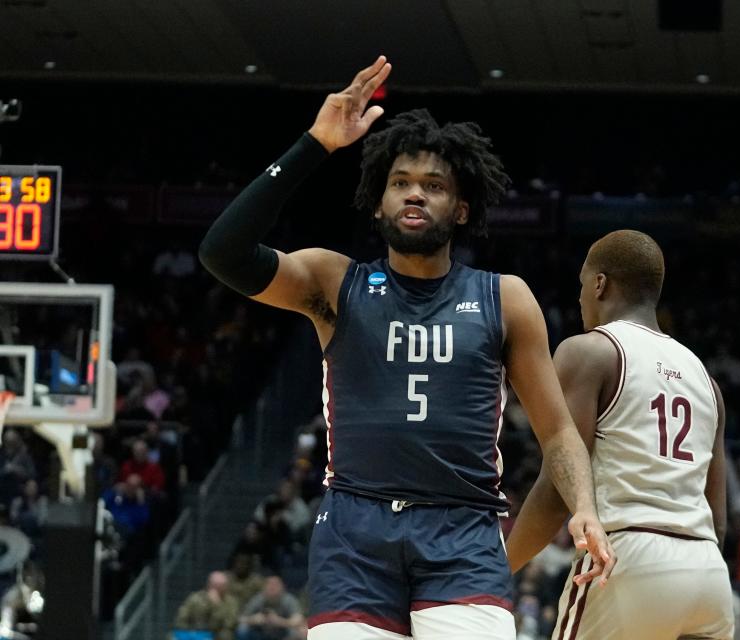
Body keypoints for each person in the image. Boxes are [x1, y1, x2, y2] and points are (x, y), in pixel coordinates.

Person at [199, 55, 614, 640]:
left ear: (461, 208)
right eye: (400, 184)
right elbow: (223, 253)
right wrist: (315, 144)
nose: (414, 195)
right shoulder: (333, 283)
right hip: (353, 531)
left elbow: (558, 432)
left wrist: (585, 509)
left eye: (433, 186)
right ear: (377, 202)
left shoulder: (504, 298)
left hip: (464, 530)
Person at [506, 230, 734, 639]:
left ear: (599, 284)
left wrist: (500, 567)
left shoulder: (589, 351)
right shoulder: (705, 379)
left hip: (629, 557)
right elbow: (718, 520)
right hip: (708, 573)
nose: (579, 299)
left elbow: (560, 489)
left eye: (581, 285)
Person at [173, 571, 239, 640]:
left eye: (221, 585)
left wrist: (216, 605)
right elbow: (181, 618)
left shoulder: (231, 602)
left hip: (218, 635)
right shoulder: (195, 598)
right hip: (195, 633)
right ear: (209, 584)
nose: (218, 588)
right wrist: (190, 631)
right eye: (215, 585)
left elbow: (230, 623)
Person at [236, 576, 304, 640]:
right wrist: (254, 619)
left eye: (275, 585)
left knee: (296, 631)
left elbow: (298, 620)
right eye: (269, 585)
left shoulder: (288, 600)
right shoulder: (258, 599)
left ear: (282, 587)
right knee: (242, 629)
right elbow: (241, 618)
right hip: (260, 633)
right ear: (264, 587)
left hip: (281, 633)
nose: (272, 587)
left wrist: (279, 621)